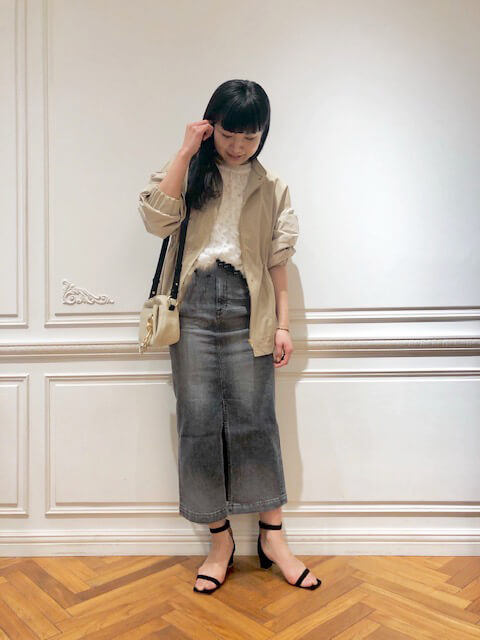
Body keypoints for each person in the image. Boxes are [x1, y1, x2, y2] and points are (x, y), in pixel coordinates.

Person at [138, 79, 321, 594]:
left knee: (257, 421)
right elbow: (155, 220)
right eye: (228, 134)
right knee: (198, 421)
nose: (239, 146)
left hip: (249, 306)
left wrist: (283, 324)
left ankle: (273, 538)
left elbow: (278, 261)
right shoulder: (190, 172)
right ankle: (219, 543)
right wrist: (185, 152)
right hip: (193, 306)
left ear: (263, 134)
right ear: (210, 126)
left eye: (250, 137)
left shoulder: (273, 186)